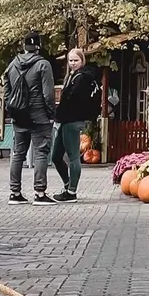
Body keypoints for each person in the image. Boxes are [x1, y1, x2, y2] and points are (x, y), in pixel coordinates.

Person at [5, 32, 55, 204]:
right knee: (41, 152)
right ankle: (40, 193)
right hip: (39, 115)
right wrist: (51, 114)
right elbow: (48, 94)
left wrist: (12, 111)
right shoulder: (43, 65)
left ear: (24, 46)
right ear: (38, 46)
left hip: (19, 116)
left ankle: (15, 193)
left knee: (18, 153)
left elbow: (7, 92)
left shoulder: (12, 65)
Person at [52, 48, 101, 202]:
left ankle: (71, 192)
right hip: (65, 120)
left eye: (76, 60)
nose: (72, 63)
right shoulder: (72, 76)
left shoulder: (81, 78)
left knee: (73, 157)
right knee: (56, 156)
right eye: (70, 60)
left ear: (82, 61)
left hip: (73, 120)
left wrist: (59, 112)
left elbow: (72, 101)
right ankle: (68, 184)